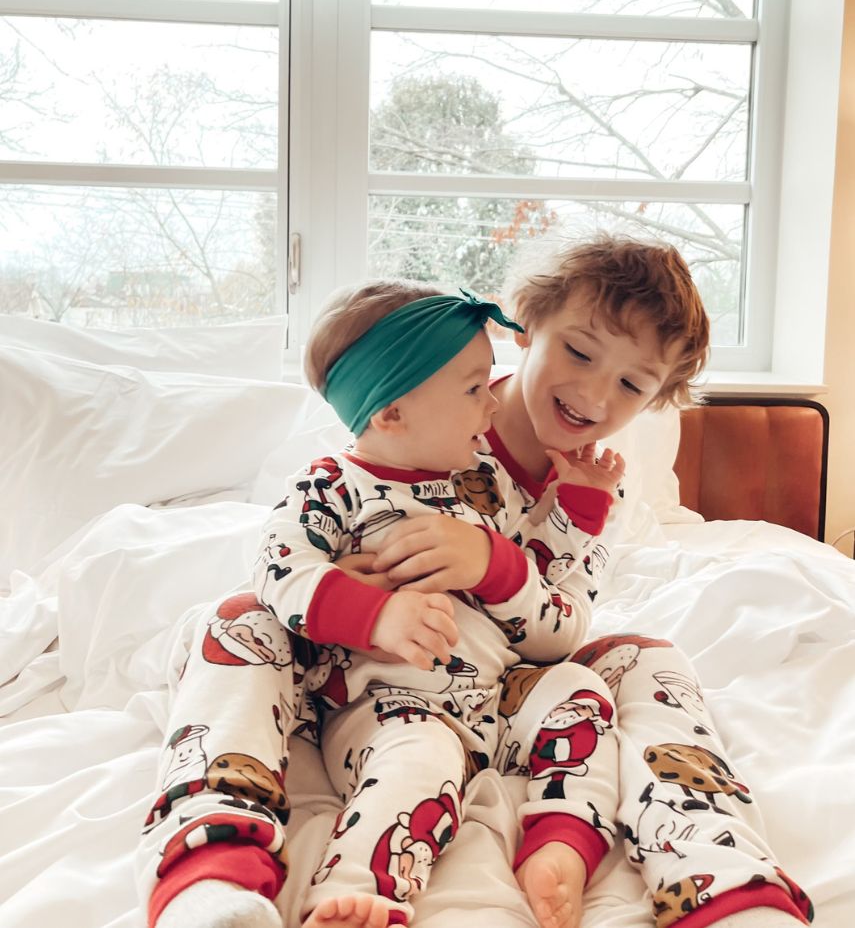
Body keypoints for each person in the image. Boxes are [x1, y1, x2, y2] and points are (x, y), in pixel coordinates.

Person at [137, 236, 814, 928]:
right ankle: (209, 873)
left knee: (648, 656)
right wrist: (350, 593)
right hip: (349, 676)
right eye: (579, 353)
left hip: (496, 689)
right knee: (230, 619)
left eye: (631, 385)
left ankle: (723, 884)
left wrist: (493, 561)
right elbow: (304, 538)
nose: (592, 393)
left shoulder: (587, 486)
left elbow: (560, 630)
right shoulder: (431, 397)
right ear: (526, 323)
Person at [141, 279, 625, 928]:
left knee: (542, 709)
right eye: (473, 389)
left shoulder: (482, 485)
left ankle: (421, 875)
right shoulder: (332, 485)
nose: (492, 406)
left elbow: (540, 575)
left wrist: (580, 506)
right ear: (392, 413)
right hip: (367, 699)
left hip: (465, 706)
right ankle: (274, 884)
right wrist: (373, 614)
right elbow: (279, 567)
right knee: (243, 631)